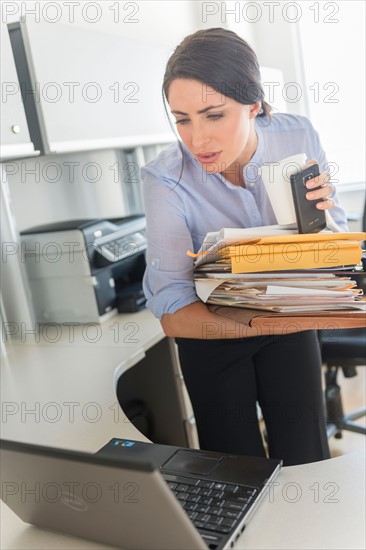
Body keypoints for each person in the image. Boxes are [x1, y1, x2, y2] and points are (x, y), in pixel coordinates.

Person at [141, 28, 348, 466]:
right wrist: (272, 322)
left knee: (305, 457)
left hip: (290, 321)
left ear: (253, 106)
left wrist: (322, 227)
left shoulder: (297, 135)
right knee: (233, 470)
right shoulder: (165, 179)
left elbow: (336, 242)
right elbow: (175, 314)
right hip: (209, 330)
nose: (197, 140)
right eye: (182, 119)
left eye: (213, 115)